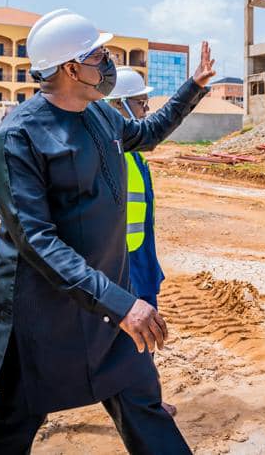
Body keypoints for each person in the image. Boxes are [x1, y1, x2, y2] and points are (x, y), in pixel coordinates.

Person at [0, 9, 212, 454]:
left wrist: (192, 87)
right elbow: (36, 240)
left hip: (108, 301)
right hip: (42, 309)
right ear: (70, 68)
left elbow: (147, 132)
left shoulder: (100, 116)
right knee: (18, 416)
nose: (108, 61)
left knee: (141, 402)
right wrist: (121, 304)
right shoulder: (17, 137)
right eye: (99, 54)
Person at [103, 67, 178, 417]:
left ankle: (145, 396)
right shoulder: (108, 152)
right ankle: (147, 401)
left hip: (139, 255)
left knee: (139, 334)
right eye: (140, 102)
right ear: (119, 105)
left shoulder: (131, 150)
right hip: (119, 261)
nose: (147, 109)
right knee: (137, 333)